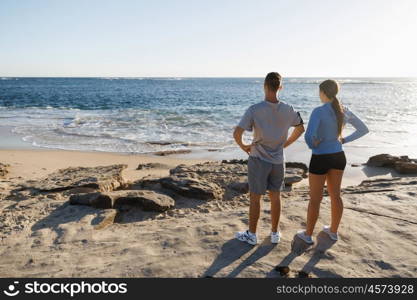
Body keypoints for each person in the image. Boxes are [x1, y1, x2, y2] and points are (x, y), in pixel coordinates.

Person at [233, 72, 305, 245]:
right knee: (276, 196)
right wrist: (284, 145)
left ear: (264, 86)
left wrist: (244, 147)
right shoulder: (289, 109)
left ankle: (252, 234)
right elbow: (300, 128)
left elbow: (237, 133)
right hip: (278, 160)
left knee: (255, 198)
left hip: (258, 159)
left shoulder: (255, 109)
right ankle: (274, 233)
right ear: (280, 87)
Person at [297, 79, 369, 244]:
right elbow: (364, 129)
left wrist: (312, 144)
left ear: (323, 92)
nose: (318, 94)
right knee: (335, 196)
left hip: (320, 157)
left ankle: (307, 235)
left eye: (319, 91)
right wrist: (344, 140)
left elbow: (309, 137)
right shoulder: (344, 110)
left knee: (315, 199)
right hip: (338, 156)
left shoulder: (318, 111)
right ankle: (333, 232)